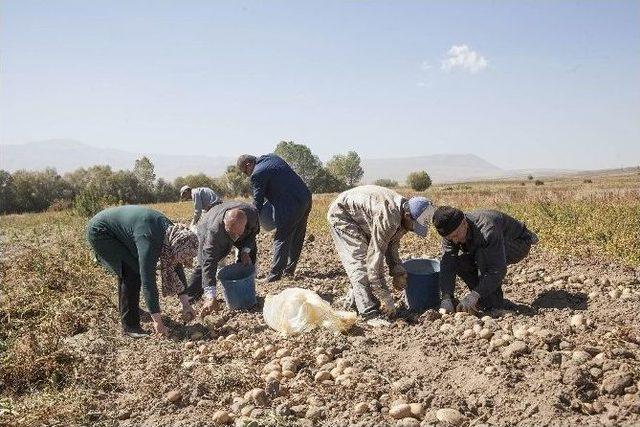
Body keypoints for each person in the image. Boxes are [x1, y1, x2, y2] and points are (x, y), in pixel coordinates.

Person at [86, 205, 199, 338]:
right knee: (132, 272)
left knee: (131, 267)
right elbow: (148, 281)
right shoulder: (149, 240)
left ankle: (132, 308)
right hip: (101, 232)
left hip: (124, 230)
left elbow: (176, 265)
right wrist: (157, 321)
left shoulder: (174, 234)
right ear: (174, 246)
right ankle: (130, 326)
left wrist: (185, 304)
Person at [327, 185, 435, 320]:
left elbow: (392, 243)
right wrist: (386, 298)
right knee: (360, 262)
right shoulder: (388, 217)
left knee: (367, 260)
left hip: (361, 215)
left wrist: (397, 272)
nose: (412, 230)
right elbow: (374, 264)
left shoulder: (404, 211)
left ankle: (357, 299)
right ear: (407, 216)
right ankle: (369, 312)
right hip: (343, 214)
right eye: (414, 227)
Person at [433, 206, 539, 314]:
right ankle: (485, 302)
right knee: (459, 259)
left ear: (464, 223)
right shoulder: (451, 232)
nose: (454, 240)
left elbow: (497, 269)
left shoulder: (487, 229)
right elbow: (447, 263)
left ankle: (494, 305)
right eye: (450, 238)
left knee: (482, 255)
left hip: (518, 243)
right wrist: (446, 296)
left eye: (456, 235)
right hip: (488, 243)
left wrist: (474, 295)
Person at [236, 154, 312, 282]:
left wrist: (250, 221)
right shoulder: (272, 158)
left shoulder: (257, 173)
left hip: (290, 205)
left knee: (281, 238)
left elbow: (258, 202)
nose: (247, 175)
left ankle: (274, 275)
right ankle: (289, 270)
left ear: (248, 164)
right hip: (306, 198)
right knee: (298, 235)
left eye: (245, 172)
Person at [180, 201, 259, 317]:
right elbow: (209, 261)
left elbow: (253, 233)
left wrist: (245, 251)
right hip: (207, 224)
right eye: (231, 234)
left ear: (245, 223)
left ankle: (241, 286)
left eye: (238, 234)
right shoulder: (214, 232)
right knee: (204, 263)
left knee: (250, 252)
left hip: (236, 228)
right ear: (225, 223)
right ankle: (190, 297)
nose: (234, 239)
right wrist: (211, 295)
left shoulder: (252, 213)